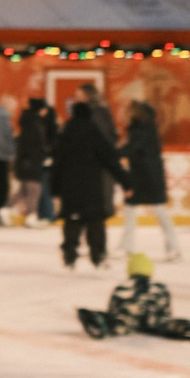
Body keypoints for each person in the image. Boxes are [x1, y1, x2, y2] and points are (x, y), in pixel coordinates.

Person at [77, 251, 190, 342]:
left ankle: (98, 321)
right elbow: (166, 310)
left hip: (128, 320)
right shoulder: (159, 288)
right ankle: (185, 327)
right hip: (154, 320)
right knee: (165, 323)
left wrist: (111, 317)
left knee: (116, 322)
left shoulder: (122, 287)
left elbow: (113, 309)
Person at [51, 98, 125, 269]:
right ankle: (97, 256)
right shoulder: (95, 134)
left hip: (70, 188)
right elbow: (111, 161)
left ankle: (70, 256)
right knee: (95, 222)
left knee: (72, 221)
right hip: (91, 187)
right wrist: (126, 182)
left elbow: (57, 164)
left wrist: (55, 189)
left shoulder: (65, 134)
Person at [118, 100, 183, 262]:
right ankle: (126, 246)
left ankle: (173, 248)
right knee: (132, 210)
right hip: (143, 174)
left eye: (129, 111)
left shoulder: (142, 130)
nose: (126, 113)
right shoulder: (143, 128)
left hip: (147, 175)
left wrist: (112, 154)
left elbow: (132, 148)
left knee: (157, 210)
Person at [14, 96, 55, 227]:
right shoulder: (33, 124)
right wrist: (39, 158)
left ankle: (6, 209)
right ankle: (31, 215)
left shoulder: (29, 122)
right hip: (32, 161)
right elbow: (33, 145)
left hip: (29, 161)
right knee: (34, 190)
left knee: (25, 190)